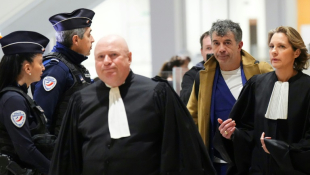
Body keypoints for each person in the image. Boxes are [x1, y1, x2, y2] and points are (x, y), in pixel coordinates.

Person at [49, 34, 216, 175]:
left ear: (129, 58)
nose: (107, 61)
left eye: (114, 55)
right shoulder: (81, 100)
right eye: (100, 57)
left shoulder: (157, 93)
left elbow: (179, 151)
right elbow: (67, 157)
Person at [215, 26, 310, 175]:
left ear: (296, 52)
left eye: (281, 46)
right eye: (271, 46)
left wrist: (281, 150)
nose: (274, 51)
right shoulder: (257, 84)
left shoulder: (307, 88)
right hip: (259, 170)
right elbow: (248, 130)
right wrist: (233, 134)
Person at [186, 19, 273, 175]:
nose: (221, 49)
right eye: (216, 43)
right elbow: (191, 117)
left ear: (239, 45)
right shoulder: (203, 77)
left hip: (253, 161)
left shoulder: (261, 71)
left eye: (227, 43)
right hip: (216, 162)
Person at [31, 8, 95, 136]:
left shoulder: (74, 66)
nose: (92, 39)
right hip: (61, 151)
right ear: (76, 40)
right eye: (89, 35)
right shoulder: (56, 69)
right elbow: (42, 123)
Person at [0, 31, 50, 174]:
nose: (43, 67)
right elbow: (25, 150)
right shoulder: (13, 100)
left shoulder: (18, 97)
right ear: (27, 68)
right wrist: (54, 170)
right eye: (40, 63)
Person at [180, 31, 213, 105]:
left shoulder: (232, 71)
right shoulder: (192, 75)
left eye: (215, 47)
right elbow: (185, 101)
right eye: (208, 48)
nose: (212, 52)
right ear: (202, 52)